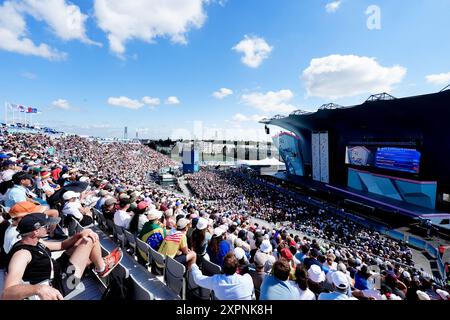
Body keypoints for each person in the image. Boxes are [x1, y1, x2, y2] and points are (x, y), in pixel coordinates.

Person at [2, 213, 123, 300]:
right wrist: (38, 289)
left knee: (82, 239)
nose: (49, 228)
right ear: (35, 232)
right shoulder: (22, 254)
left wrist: (78, 235)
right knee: (90, 240)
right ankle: (102, 268)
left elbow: (62, 245)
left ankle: (96, 264)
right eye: (45, 226)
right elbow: (7, 293)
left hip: (58, 270)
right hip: (61, 285)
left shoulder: (34, 242)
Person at [189, 252, 254, 300]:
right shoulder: (247, 279)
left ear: (222, 268)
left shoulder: (216, 281)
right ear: (237, 268)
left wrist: (193, 265)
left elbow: (198, 279)